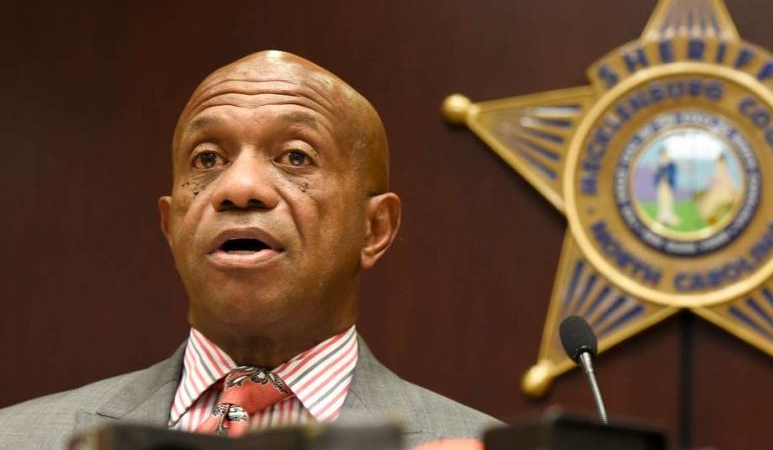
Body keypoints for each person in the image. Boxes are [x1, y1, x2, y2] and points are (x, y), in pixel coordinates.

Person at [0, 50, 498, 449]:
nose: (238, 187)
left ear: (374, 229)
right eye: (208, 158)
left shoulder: (477, 446)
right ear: (171, 226)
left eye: (296, 157)